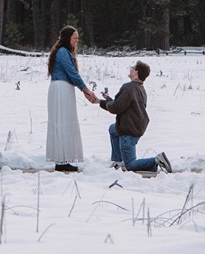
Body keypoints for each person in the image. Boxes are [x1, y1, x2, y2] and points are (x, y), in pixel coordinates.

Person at [99, 60, 172, 173]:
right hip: (135, 126)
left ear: (136, 72)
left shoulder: (129, 87)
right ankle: (118, 161)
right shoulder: (139, 88)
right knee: (112, 129)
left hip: (129, 130)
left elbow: (115, 108)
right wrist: (104, 101)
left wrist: (104, 102)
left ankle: (157, 160)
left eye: (133, 67)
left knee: (130, 165)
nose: (131, 69)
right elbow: (120, 105)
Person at [46, 25, 98, 172]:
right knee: (62, 121)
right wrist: (86, 90)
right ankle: (61, 160)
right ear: (67, 38)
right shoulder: (62, 52)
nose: (76, 41)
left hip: (64, 88)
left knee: (65, 120)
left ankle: (63, 159)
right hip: (61, 88)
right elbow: (71, 73)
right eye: (74, 38)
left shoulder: (65, 52)